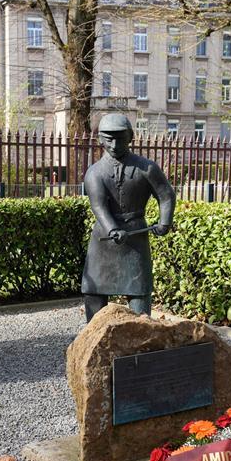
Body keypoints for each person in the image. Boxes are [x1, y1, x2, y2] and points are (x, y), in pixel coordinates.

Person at [81, 113, 176, 321]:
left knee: (139, 289)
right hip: (104, 238)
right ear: (100, 139)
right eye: (108, 138)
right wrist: (113, 229)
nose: (114, 144)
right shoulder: (95, 172)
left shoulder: (147, 168)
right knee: (94, 288)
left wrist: (165, 222)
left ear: (131, 137)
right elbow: (98, 204)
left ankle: (141, 335)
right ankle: (93, 335)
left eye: (120, 138)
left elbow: (166, 194)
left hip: (135, 236)